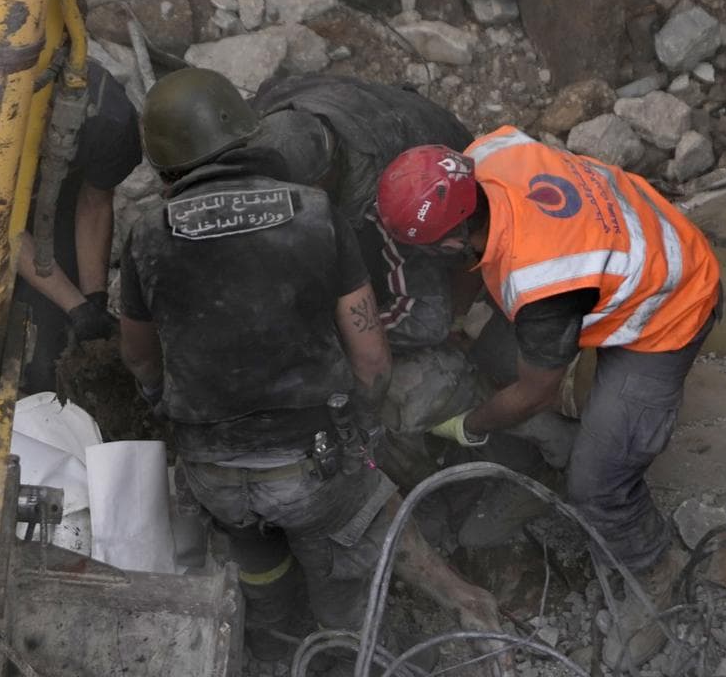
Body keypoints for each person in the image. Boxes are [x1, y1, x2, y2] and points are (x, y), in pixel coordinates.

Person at [119, 67, 490, 664]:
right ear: (248, 133)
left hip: (210, 467)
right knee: (340, 562)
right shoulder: (317, 213)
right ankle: (341, 651)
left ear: (164, 168)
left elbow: (138, 353)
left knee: (254, 554)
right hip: (311, 467)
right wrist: (363, 423)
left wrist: (161, 398)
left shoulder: (147, 237)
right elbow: (371, 357)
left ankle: (270, 641)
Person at [375, 127, 722, 668]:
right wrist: (456, 319)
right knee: (494, 359)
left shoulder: (542, 281)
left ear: (452, 237)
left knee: (598, 483)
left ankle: (658, 568)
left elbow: (534, 391)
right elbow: (470, 262)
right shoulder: (484, 158)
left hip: (669, 306)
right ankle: (554, 453)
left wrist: (469, 425)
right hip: (628, 246)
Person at [248, 75, 578, 546]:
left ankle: (526, 450)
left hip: (444, 210)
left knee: (403, 384)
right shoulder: (281, 122)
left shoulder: (393, 198)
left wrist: (347, 335)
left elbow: (427, 315)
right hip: (443, 203)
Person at [14, 59, 142, 393]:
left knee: (50, 351)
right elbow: (2, 230)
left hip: (57, 189)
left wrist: (91, 302)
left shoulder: (109, 119)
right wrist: (74, 304)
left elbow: (94, 203)